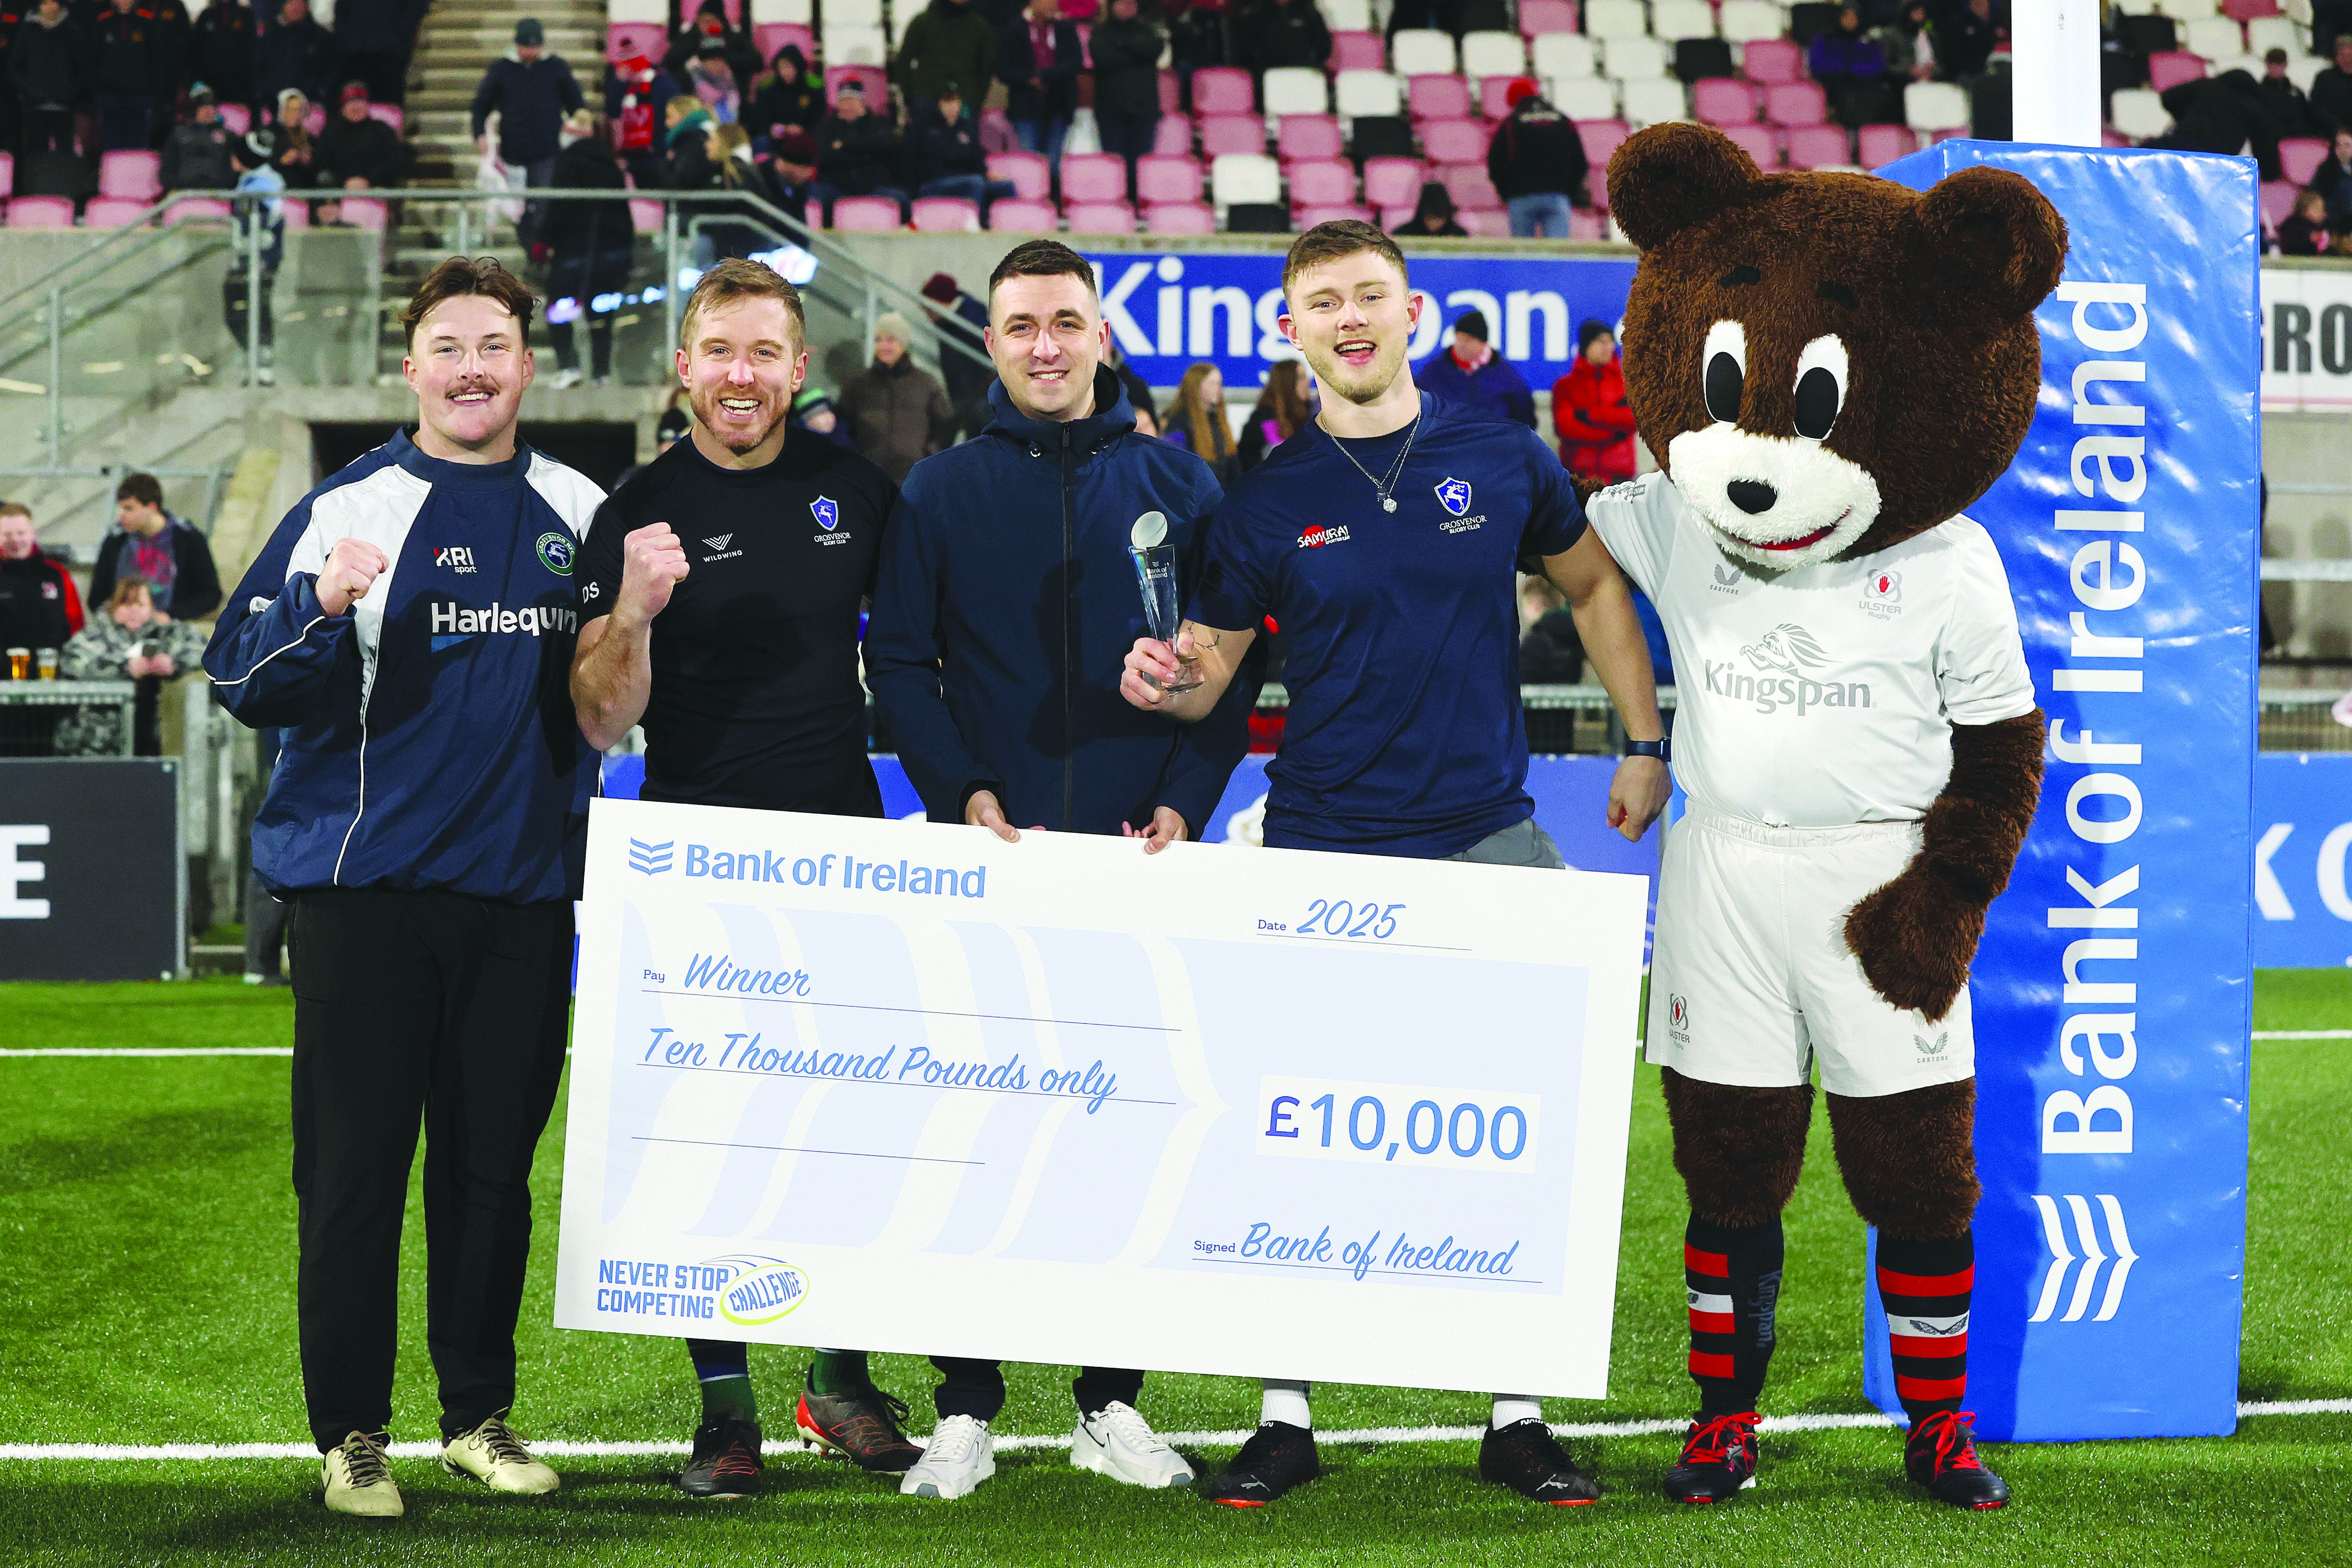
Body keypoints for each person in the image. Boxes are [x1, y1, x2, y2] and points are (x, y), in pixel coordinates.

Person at [1118, 220, 1670, 1506]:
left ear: (1413, 313)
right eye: (1325, 303)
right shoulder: (1265, 499)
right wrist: (1163, 675)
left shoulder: (1503, 453)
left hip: (1489, 833)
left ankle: (1516, 1409)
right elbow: (1205, 679)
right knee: (1292, 1133)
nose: (1351, 319)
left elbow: (1594, 590)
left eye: (1372, 295)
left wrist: (1646, 740)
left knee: (1525, 1129)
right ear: (1291, 331)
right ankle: (1284, 1411)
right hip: (1319, 840)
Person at [202, 257, 604, 1517]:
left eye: (494, 343)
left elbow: (614, 697)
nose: (472, 366)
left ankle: (478, 1414)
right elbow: (238, 672)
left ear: (529, 363)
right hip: (362, 895)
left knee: (491, 1173)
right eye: (447, 345)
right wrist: (321, 601)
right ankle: (352, 1433)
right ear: (413, 365)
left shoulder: (579, 507)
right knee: (358, 1175)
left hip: (523, 899)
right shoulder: (349, 502)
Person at [865, 238, 1252, 1502]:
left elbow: (1229, 677)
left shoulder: (1184, 484)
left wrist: (1188, 803)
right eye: (1020, 323)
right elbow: (903, 665)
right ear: (991, 337)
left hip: (1140, 868)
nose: (1043, 345)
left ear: (1100, 334)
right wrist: (958, 791)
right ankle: (965, 1402)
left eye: (1065, 322)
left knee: (1130, 1137)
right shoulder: (937, 490)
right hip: (993, 858)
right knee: (969, 1134)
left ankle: (1110, 1398)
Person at [570, 258, 924, 1499]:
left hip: (841, 845)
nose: (741, 375)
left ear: (796, 367)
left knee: (851, 1128)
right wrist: (638, 611)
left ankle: (839, 1377)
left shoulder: (861, 493)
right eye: (719, 349)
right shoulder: (635, 509)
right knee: (701, 1144)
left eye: (764, 352)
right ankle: (725, 1409)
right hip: (693, 862)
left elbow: (925, 655)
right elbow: (602, 721)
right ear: (684, 364)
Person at [55, 576, 207, 756]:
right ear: (113, 607)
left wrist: (173, 663)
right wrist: (125, 669)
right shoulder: (96, 635)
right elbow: (73, 664)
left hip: (153, 738)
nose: (134, 611)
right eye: (127, 604)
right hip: (97, 742)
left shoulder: (167, 632)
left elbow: (204, 650)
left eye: (141, 605)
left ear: (152, 608)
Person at [471, 18, 585, 250]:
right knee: (516, 208)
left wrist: (580, 124)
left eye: (535, 46)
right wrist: (479, 132)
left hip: (547, 150)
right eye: (526, 47)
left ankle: (538, 251)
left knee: (543, 204)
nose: (530, 52)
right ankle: (532, 249)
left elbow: (576, 103)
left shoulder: (557, 67)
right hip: (514, 151)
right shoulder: (501, 69)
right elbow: (481, 104)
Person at [542, 109, 634, 388]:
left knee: (559, 308)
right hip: (609, 253)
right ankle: (601, 373)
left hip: (573, 253)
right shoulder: (611, 166)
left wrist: (544, 238)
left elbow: (560, 207)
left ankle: (569, 366)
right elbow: (623, 214)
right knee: (601, 312)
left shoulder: (567, 162)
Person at [89, 474, 221, 624]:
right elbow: (97, 597)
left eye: (129, 508)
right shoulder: (116, 541)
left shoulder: (188, 538)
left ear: (151, 507)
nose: (121, 515)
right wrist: (115, 613)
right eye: (120, 508)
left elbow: (210, 594)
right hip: (122, 632)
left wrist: (171, 615)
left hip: (172, 629)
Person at [837, 313, 952, 482]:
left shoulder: (926, 383)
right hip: (869, 477)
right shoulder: (859, 384)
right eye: (879, 340)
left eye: (891, 340)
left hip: (912, 478)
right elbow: (842, 423)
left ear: (904, 343)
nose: (884, 346)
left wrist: (930, 453)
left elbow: (947, 423)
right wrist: (856, 457)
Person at [1486, 78, 1585, 239]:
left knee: (1523, 257)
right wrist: (1567, 193)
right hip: (1557, 196)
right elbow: (1580, 163)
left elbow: (1495, 164)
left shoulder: (1511, 124)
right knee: (1557, 257)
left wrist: (1508, 195)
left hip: (1521, 197)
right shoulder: (1563, 121)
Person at [0, 504, 83, 693]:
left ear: (33, 534)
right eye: (7, 535)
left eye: (21, 533)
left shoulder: (57, 575)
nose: (15, 540)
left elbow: (76, 627)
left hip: (53, 685)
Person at [225, 129, 286, 382]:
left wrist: (261, 257)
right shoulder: (248, 181)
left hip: (261, 256)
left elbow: (266, 220)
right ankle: (250, 354)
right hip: (244, 256)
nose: (232, 158)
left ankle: (264, 361)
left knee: (259, 306)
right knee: (236, 305)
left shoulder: (265, 183)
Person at [906, 82, 1017, 220]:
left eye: (955, 101)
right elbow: (915, 163)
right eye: (947, 102)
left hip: (967, 182)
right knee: (975, 182)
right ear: (939, 104)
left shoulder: (967, 128)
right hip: (934, 184)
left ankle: (1007, 226)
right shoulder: (925, 129)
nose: (952, 106)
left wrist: (993, 176)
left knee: (1006, 186)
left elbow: (977, 162)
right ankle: (974, 223)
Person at [2150, 69, 2283, 183]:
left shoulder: (2207, 85)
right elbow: (2265, 148)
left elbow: (2169, 98)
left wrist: (2184, 115)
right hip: (2215, 162)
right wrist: (2270, 174)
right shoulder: (2255, 107)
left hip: (2178, 144)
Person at [1089, 0, 1163, 198]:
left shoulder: (1147, 30)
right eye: (1122, 3)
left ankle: (1138, 206)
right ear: (1112, 6)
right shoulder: (1101, 32)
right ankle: (1117, 206)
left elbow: (1155, 49)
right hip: (1110, 110)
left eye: (1131, 3)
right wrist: (1137, 55)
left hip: (1144, 109)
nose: (1127, 7)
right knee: (1115, 165)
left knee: (1140, 166)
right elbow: (1103, 57)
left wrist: (1122, 43)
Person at [1416, 309, 1534, 428]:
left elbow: (1525, 420)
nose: (1460, 345)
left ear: (1482, 343)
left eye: (1468, 340)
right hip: (1446, 443)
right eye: (1458, 338)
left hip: (1493, 444)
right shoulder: (1434, 372)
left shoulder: (1506, 375)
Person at [999, 0, 1082, 170]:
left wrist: (1047, 76)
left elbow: (1075, 63)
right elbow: (1004, 70)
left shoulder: (1066, 28)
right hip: (1026, 107)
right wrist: (1028, 80)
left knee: (1053, 164)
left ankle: (1051, 194)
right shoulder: (1015, 28)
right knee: (1031, 163)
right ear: (1034, 3)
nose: (1053, 5)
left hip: (1060, 105)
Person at [1552, 318, 1635, 484]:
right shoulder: (1566, 386)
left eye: (1610, 341)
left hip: (1620, 476)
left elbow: (1633, 418)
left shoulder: (1627, 383)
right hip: (1579, 475)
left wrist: (1590, 416)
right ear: (1586, 346)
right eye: (1600, 341)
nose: (1607, 347)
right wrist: (1613, 434)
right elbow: (1566, 427)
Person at [812, 78, 907, 224]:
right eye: (843, 100)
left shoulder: (878, 123)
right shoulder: (826, 127)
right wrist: (865, 154)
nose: (847, 105)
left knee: (901, 198)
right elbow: (825, 157)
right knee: (816, 198)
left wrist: (845, 146)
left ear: (862, 101)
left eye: (852, 100)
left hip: (873, 186)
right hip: (837, 186)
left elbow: (885, 147)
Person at [895, 0, 997, 122]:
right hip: (926, 99)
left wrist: (975, 100)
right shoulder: (922, 22)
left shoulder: (981, 27)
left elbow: (986, 68)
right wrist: (911, 98)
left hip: (965, 102)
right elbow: (903, 61)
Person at [921, 270, 993, 440]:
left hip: (982, 397)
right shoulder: (947, 322)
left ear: (941, 302)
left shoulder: (971, 318)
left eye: (929, 308)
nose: (927, 315)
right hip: (965, 398)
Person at [11, 0, 83, 158]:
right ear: (39, 6)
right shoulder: (27, 31)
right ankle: (35, 183)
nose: (50, 7)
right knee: (36, 152)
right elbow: (16, 66)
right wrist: (29, 89)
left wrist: (70, 91)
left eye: (54, 3)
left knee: (66, 153)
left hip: (64, 104)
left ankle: (65, 183)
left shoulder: (72, 32)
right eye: (46, 3)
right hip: (35, 104)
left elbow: (82, 67)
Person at [91, 0, 161, 151]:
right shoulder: (104, 21)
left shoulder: (146, 21)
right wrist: (98, 89)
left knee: (138, 143)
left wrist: (152, 89)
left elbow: (156, 60)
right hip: (110, 94)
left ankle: (136, 174)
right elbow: (94, 59)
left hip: (140, 94)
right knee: (112, 143)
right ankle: (115, 174)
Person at [319, 82, 406, 193]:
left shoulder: (382, 130)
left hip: (377, 190)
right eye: (350, 102)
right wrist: (345, 182)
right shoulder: (330, 133)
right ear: (342, 108)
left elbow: (395, 160)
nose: (356, 107)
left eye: (360, 101)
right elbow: (323, 165)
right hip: (339, 193)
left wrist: (368, 180)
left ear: (368, 105)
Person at [607, 49, 678, 187]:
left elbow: (673, 117)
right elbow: (612, 111)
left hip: (658, 157)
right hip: (631, 159)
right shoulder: (624, 87)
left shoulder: (663, 85)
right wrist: (619, 84)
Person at [1809, 6, 1888, 127]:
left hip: (1864, 85)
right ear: (1840, 18)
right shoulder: (1826, 38)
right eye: (1847, 17)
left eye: (1854, 17)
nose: (1851, 21)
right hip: (1833, 85)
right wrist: (1842, 68)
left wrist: (1855, 69)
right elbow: (1817, 65)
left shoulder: (1869, 40)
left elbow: (1879, 65)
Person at [1161, 361, 1237, 483]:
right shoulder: (1179, 421)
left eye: (1220, 384)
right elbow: (1176, 466)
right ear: (1195, 387)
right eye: (1213, 384)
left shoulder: (1216, 418)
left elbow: (1231, 460)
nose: (1219, 390)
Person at [255, 0, 338, 110]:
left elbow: (329, 72)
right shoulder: (269, 36)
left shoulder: (320, 37)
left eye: (300, 4)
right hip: (273, 104)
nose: (296, 8)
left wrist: (318, 96)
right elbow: (258, 68)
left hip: (309, 106)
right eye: (292, 3)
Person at [745, 42, 823, 149]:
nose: (786, 72)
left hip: (805, 136)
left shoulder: (814, 87)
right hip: (774, 136)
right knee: (761, 142)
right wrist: (771, 128)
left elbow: (819, 117)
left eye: (790, 67)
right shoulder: (767, 87)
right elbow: (760, 115)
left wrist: (803, 129)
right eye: (782, 68)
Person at [1237, 359, 1311, 471]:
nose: (1308, 382)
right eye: (1301, 378)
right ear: (1287, 382)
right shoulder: (1266, 416)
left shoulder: (1310, 413)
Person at [162, 84, 238, 192]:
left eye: (212, 107)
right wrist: (173, 188)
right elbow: (167, 169)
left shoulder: (228, 136)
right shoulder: (179, 134)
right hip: (183, 194)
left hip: (219, 195)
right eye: (204, 107)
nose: (209, 111)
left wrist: (228, 186)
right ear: (195, 110)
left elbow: (240, 167)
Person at [191, 0, 257, 113]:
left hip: (238, 84)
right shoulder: (207, 15)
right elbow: (196, 50)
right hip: (210, 82)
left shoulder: (246, 15)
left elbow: (252, 50)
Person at [2258, 47, 2329, 140]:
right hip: (2272, 141)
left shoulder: (2296, 92)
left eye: (2279, 63)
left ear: (2286, 64)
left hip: (2299, 141)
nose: (2276, 67)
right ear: (2266, 64)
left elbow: (2307, 116)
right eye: (2272, 63)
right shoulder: (2259, 92)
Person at [1242, 0, 1330, 74]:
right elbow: (1249, 51)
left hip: (1304, 72)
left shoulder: (1309, 13)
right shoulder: (1257, 15)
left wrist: (1312, 64)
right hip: (1268, 75)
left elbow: (1323, 46)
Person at [2308, 127, 2352, 237]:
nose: (2343, 149)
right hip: (2334, 224)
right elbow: (2315, 196)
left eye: (2347, 145)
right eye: (2339, 145)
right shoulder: (2325, 171)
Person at [1393, 179, 1466, 237]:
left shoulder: (1460, 236)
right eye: (1431, 217)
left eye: (1439, 217)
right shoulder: (1403, 235)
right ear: (1422, 214)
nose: (1435, 223)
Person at [2313, 35, 2352, 139]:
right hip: (2331, 135)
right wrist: (2338, 128)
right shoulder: (2324, 78)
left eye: (2350, 55)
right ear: (2336, 57)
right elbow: (2317, 108)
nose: (2347, 60)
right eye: (2342, 56)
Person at [2278, 188, 2333, 255]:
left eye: (2322, 209)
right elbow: (2289, 246)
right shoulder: (2293, 225)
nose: (2321, 212)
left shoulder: (2325, 226)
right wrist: (2309, 238)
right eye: (2316, 208)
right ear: (2304, 209)